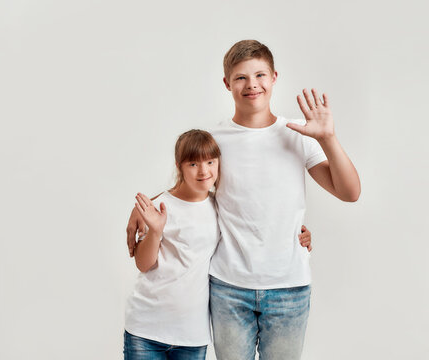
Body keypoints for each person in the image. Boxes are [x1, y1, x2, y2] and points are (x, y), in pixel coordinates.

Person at [126, 40, 360, 360]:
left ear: (274, 77)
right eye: (240, 78)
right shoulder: (216, 140)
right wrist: (142, 207)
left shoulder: (298, 133)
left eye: (260, 75)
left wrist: (328, 138)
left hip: (289, 288)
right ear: (227, 83)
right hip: (229, 288)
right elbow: (189, 184)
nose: (252, 85)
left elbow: (350, 193)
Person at [123, 130, 312, 360]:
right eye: (193, 164)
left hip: (191, 336)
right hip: (146, 328)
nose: (204, 171)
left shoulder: (218, 205)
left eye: (210, 162)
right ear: (179, 166)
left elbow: (254, 223)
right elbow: (143, 264)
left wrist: (297, 234)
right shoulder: (160, 207)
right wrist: (155, 231)